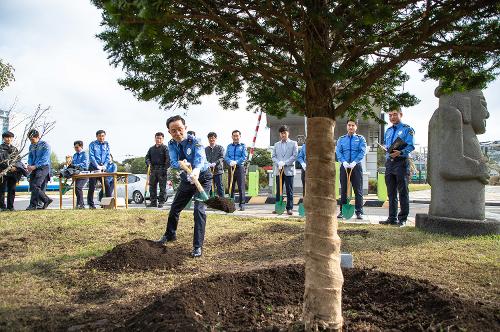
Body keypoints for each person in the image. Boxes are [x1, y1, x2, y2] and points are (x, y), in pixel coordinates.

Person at [156, 115, 212, 258]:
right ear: (169, 132)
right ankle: (170, 235)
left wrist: (196, 170)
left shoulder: (196, 141)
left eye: (180, 129)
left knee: (198, 210)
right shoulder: (171, 144)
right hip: (186, 179)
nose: (177, 133)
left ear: (185, 128)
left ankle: (197, 246)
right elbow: (174, 161)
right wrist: (183, 165)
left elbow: (200, 158)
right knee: (175, 207)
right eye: (173, 131)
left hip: (203, 179)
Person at [379, 108, 415, 227]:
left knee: (403, 191)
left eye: (394, 114)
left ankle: (403, 219)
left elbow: (411, 146)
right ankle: (392, 218)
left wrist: (400, 152)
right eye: (390, 115)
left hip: (401, 162)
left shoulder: (407, 129)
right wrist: (385, 148)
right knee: (391, 192)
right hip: (390, 163)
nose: (392, 117)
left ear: (401, 114)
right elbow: (386, 144)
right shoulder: (388, 131)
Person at [336, 119, 367, 220]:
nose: (351, 127)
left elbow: (362, 152)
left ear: (356, 127)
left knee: (358, 190)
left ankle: (359, 212)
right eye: (349, 125)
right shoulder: (341, 139)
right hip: (344, 167)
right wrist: (343, 161)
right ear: (346, 126)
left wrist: (355, 162)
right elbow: (338, 152)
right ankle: (342, 211)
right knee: (344, 189)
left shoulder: (360, 139)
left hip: (356, 167)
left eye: (353, 125)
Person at [272, 125, 298, 215]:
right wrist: (278, 162)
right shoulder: (276, 144)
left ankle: (289, 208)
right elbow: (273, 156)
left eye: (285, 133)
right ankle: (278, 207)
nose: (283, 135)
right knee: (279, 190)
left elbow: (294, 156)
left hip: (289, 170)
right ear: (280, 134)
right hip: (279, 169)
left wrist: (285, 163)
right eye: (282, 133)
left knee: (289, 190)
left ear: (288, 133)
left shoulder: (293, 143)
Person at [26, 129, 52, 210]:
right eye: (30, 139)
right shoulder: (31, 146)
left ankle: (45, 200)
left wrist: (35, 166)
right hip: (33, 168)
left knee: (36, 185)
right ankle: (33, 205)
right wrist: (30, 165)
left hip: (43, 167)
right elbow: (30, 156)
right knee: (32, 186)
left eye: (32, 139)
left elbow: (45, 159)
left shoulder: (45, 145)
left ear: (38, 137)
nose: (31, 141)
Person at [87, 130, 112, 209]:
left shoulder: (107, 144)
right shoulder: (92, 144)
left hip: (103, 167)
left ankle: (109, 204)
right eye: (100, 136)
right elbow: (91, 156)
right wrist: (97, 165)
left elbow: (108, 155)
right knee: (92, 186)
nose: (102, 137)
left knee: (107, 185)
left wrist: (105, 165)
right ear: (97, 136)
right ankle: (91, 204)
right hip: (94, 167)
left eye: (103, 136)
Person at [145, 132, 170, 208]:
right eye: (157, 138)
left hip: (162, 169)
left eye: (160, 138)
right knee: (152, 187)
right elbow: (147, 158)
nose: (158, 140)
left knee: (162, 187)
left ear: (162, 139)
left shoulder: (165, 148)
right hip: (153, 169)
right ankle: (153, 202)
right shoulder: (151, 149)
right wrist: (148, 163)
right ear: (155, 139)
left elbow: (168, 159)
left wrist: (165, 168)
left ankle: (161, 202)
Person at [224, 130, 247, 211]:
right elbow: (226, 156)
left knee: (241, 186)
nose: (235, 137)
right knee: (231, 186)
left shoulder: (243, 146)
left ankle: (242, 204)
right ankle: (231, 204)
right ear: (232, 137)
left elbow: (244, 157)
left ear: (240, 136)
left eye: (237, 136)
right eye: (234, 136)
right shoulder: (229, 146)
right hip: (231, 167)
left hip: (239, 167)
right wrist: (230, 161)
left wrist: (236, 162)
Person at [0, 131, 20, 211]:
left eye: (10, 137)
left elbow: (18, 160)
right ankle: (2, 207)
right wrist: (8, 167)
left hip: (13, 173)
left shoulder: (14, 149)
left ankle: (10, 206)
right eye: (7, 137)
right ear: (3, 138)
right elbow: (1, 160)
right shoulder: (0, 148)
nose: (9, 139)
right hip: (3, 172)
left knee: (12, 190)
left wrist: (15, 167)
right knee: (1, 190)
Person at [205, 132, 225, 197]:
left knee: (220, 187)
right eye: (210, 138)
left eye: (213, 138)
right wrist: (207, 163)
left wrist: (215, 163)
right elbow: (203, 158)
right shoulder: (206, 149)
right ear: (208, 139)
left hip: (218, 171)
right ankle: (211, 202)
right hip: (209, 171)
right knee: (210, 187)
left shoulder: (220, 148)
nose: (211, 139)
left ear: (215, 138)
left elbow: (222, 157)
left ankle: (222, 202)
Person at [71, 140, 89, 209]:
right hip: (76, 174)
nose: (76, 149)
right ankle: (80, 204)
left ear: (81, 146)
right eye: (74, 147)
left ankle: (80, 205)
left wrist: (75, 165)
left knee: (78, 187)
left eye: (77, 147)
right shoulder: (75, 155)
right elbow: (72, 163)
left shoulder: (85, 154)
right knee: (76, 189)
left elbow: (84, 164)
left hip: (84, 173)